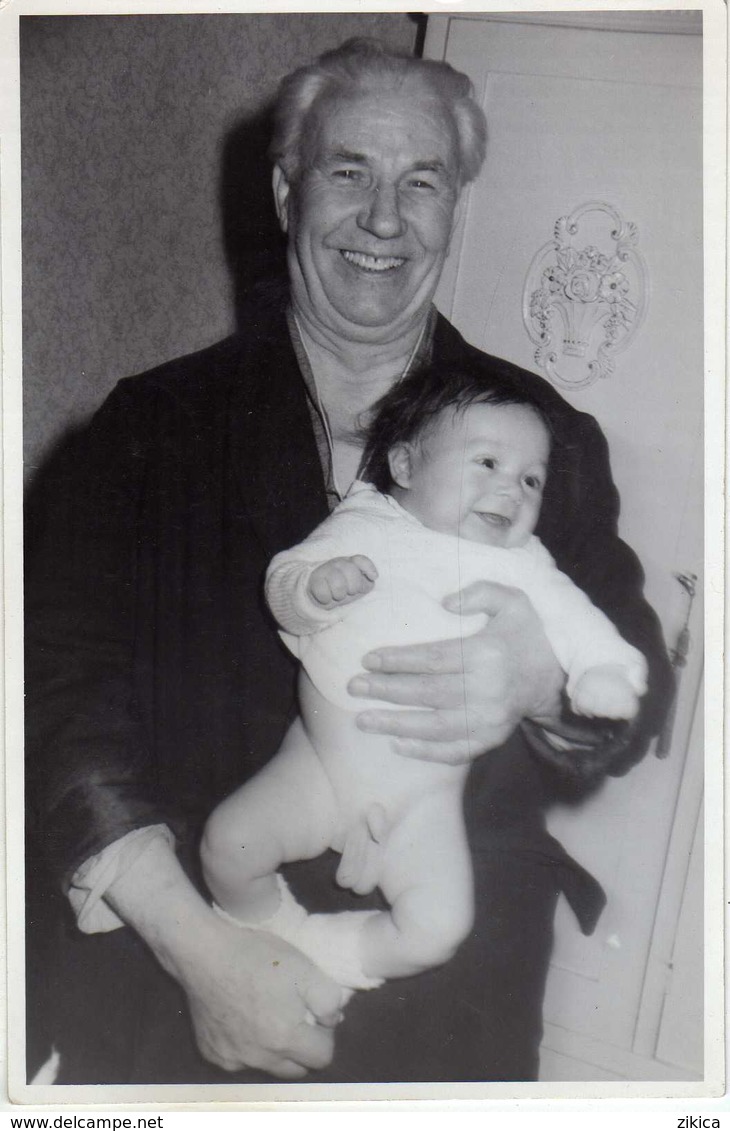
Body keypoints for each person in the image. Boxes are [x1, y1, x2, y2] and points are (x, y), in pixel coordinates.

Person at [25, 38, 672, 1085]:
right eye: (347, 173)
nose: (383, 219)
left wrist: (542, 679)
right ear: (285, 192)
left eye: (420, 181)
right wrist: (201, 953)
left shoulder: (547, 435)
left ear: (454, 205)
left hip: (447, 996)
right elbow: (48, 693)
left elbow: (637, 676)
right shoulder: (150, 425)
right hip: (187, 957)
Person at [201, 360, 648, 995]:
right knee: (229, 843)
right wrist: (316, 589)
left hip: (424, 800)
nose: (512, 490)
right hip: (318, 768)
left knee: (440, 925)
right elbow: (286, 581)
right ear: (406, 467)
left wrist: (602, 673)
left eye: (531, 479)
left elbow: (586, 624)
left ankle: (337, 951)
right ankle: (268, 929)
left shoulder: (526, 565)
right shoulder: (367, 524)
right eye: (487, 463)